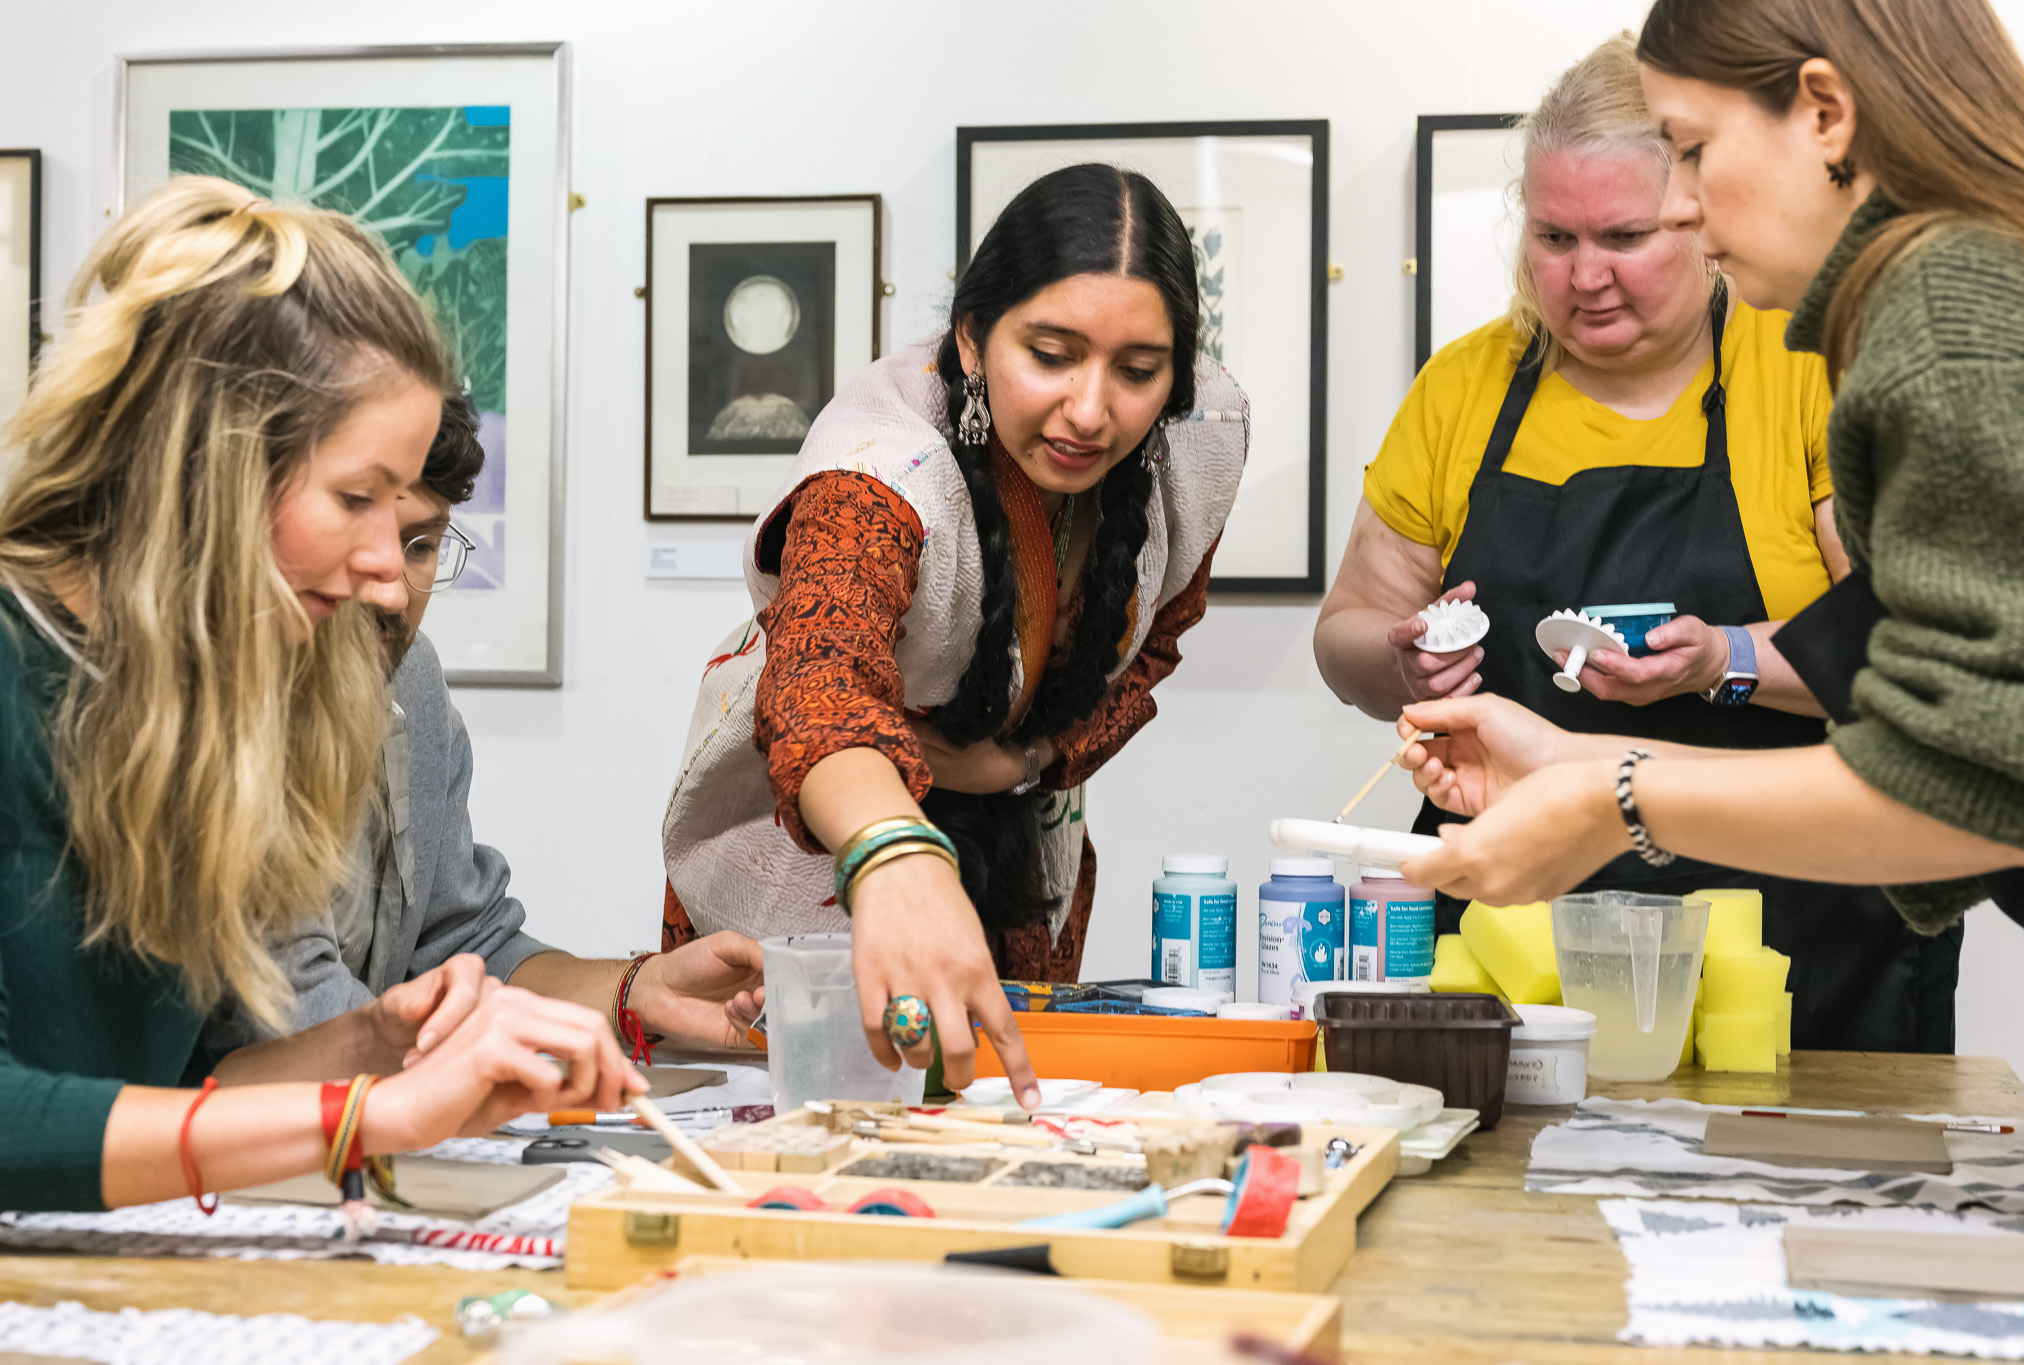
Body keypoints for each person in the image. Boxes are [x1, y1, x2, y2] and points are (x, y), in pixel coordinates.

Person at [0, 177, 638, 1213]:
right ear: (207, 462)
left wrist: (369, 1047)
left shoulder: (175, 708)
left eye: (406, 515)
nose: (390, 569)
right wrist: (366, 1114)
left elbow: (155, 1100)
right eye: (356, 499)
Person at [1314, 35, 1950, 1051]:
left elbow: (1904, 658)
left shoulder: (1805, 366)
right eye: (1553, 237)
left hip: (1799, 928)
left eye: (1621, 235)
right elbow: (1343, 634)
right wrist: (1399, 658)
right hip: (1516, 926)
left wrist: (1723, 660)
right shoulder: (1464, 388)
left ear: (1701, 216)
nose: (1583, 277)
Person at [1392, 0, 2024, 943]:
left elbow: (1964, 783)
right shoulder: (1965, 293)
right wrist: (1572, 765)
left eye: (1691, 149)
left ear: (1825, 114)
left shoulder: (1943, 320)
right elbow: (1923, 754)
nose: (1685, 204)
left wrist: (1601, 803)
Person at [660, 163, 1249, 1103]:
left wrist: (1021, 762)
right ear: (973, 338)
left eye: (1138, 371)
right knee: (816, 1133)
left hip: (1020, 850)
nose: (1092, 411)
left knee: (1000, 1123)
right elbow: (819, 682)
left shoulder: (1199, 437)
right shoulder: (878, 469)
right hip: (827, 837)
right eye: (1050, 355)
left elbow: (1152, 654)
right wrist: (895, 851)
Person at [208, 395, 764, 1086]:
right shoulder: (221, 712)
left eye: (422, 544)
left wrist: (639, 990)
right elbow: (296, 1017)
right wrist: (506, 1064)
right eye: (356, 527)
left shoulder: (411, 679)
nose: (393, 589)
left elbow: (469, 943)